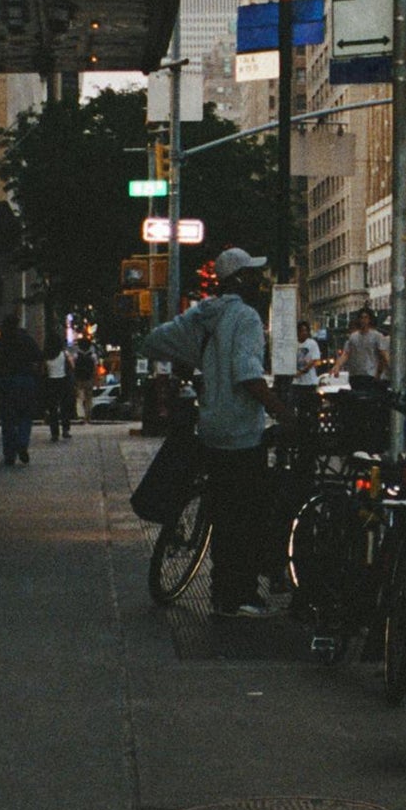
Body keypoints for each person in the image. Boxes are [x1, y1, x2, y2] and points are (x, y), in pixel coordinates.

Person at [148, 249, 274, 618]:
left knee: (222, 512)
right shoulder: (246, 318)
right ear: (238, 280)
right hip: (241, 431)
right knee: (244, 517)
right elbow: (248, 374)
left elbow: (155, 340)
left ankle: (222, 592)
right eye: (252, 275)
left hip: (210, 428)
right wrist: (284, 410)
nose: (259, 281)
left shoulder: (203, 314)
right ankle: (240, 595)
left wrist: (196, 364)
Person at [0, 314, 46, 466]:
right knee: (25, 416)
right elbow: (39, 358)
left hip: (4, 381)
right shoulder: (26, 340)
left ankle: (9, 454)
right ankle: (22, 442)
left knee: (7, 419)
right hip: (24, 380)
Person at [337, 305, 390, 397]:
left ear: (370, 320)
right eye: (361, 318)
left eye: (366, 317)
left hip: (370, 376)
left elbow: (383, 355)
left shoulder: (377, 336)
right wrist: (337, 366)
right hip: (355, 375)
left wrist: (380, 372)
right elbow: (346, 354)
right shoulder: (353, 337)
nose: (363, 320)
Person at [44, 333, 75, 441]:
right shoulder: (64, 354)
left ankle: (54, 433)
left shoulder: (46, 356)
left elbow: (43, 370)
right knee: (64, 406)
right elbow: (71, 366)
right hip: (63, 381)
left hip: (50, 382)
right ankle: (65, 429)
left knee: (52, 408)